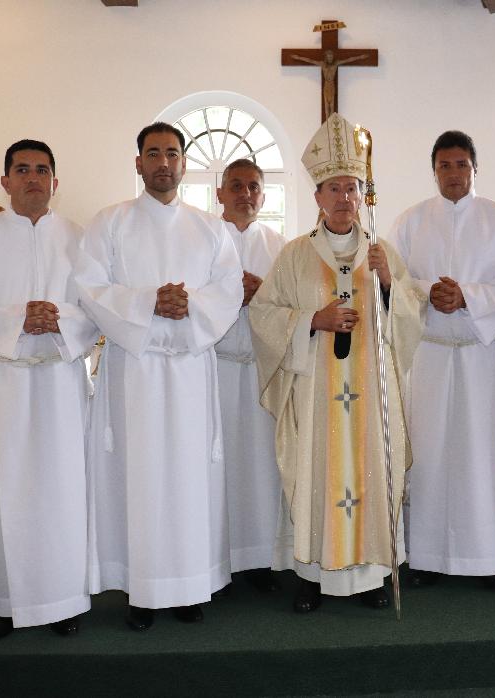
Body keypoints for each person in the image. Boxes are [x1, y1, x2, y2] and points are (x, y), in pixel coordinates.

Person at [250, 112, 425, 613]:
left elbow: (409, 318)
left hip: (370, 390)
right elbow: (264, 313)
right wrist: (313, 319)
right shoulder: (294, 256)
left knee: (370, 474)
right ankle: (312, 575)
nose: (344, 197)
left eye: (352, 187)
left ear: (362, 195)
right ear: (318, 197)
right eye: (334, 188)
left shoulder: (381, 252)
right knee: (316, 475)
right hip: (315, 393)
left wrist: (388, 284)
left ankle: (370, 577)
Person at [77, 122, 243, 631]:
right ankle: (142, 590)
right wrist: (149, 302)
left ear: (184, 163)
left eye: (172, 153)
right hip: (136, 371)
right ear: (138, 163)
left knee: (187, 479)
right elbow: (90, 288)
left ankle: (188, 586)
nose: (163, 163)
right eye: (153, 153)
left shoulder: (210, 228)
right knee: (140, 477)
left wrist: (188, 306)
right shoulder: (110, 222)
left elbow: (229, 289)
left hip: (189, 370)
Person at [0, 139, 98, 641]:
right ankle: (4, 604)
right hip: (3, 380)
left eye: (43, 170)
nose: (33, 177)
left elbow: (98, 306)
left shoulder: (78, 238)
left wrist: (61, 318)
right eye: (23, 169)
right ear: (5, 180)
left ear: (56, 181)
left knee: (63, 491)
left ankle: (65, 601)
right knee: (3, 492)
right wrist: (17, 319)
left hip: (59, 378)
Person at [390, 130, 495, 592]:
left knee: (479, 454)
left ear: (475, 168)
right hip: (428, 352)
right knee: (428, 454)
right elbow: (393, 280)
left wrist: (465, 295)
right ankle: (426, 557)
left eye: (461, 164)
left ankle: (483, 558)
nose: (453, 173)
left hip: (478, 353)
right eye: (444, 165)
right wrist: (429, 292)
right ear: (434, 171)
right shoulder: (411, 220)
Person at [215, 158, 287, 593]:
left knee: (262, 466)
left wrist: (263, 294)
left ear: (263, 194)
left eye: (254, 187)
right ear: (220, 193)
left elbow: (295, 304)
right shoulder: (204, 238)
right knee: (218, 464)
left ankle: (261, 558)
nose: (245, 194)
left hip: (263, 368)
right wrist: (229, 294)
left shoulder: (281, 246)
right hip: (216, 367)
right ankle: (216, 558)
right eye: (237, 186)